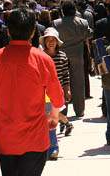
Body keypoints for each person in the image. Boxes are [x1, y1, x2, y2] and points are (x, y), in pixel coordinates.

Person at [0, 8, 64, 175]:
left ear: (8, 31)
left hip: (5, 137)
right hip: (36, 138)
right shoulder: (43, 60)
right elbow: (57, 97)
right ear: (32, 32)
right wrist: (53, 115)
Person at [53, 0, 92, 118]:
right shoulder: (83, 22)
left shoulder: (56, 23)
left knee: (62, 82)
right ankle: (79, 110)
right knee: (78, 82)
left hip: (61, 54)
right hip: (77, 54)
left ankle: (63, 110)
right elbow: (89, 35)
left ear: (62, 11)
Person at [40, 27, 72, 160]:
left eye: (53, 40)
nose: (51, 42)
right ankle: (52, 147)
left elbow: (65, 75)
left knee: (52, 119)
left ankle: (52, 148)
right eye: (48, 40)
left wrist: (67, 89)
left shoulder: (62, 56)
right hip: (45, 92)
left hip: (57, 92)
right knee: (50, 119)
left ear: (57, 41)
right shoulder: (41, 56)